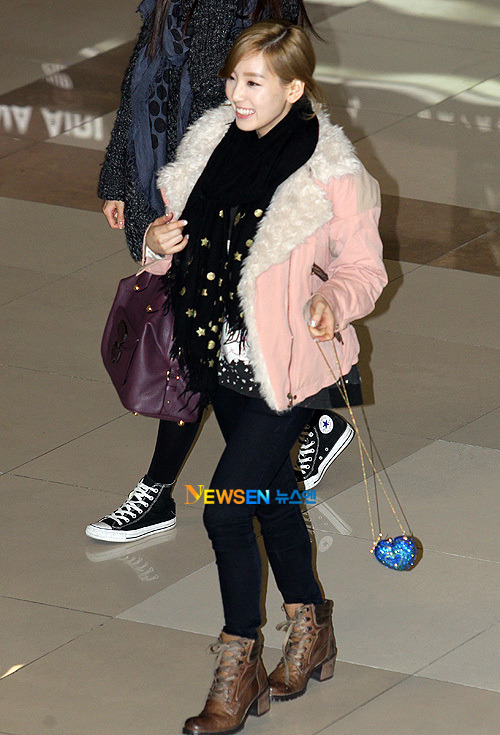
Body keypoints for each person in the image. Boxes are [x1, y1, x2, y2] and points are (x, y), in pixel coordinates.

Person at [140, 20, 387, 734]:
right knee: (273, 497)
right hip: (219, 358)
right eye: (232, 79)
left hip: (291, 368)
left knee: (225, 508)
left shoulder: (334, 173)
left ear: (294, 88)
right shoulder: (210, 145)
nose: (236, 95)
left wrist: (332, 300)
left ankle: (238, 665)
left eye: (253, 83)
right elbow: (178, 247)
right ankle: (313, 630)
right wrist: (157, 243)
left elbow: (364, 271)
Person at [87, 0, 353, 544]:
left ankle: (161, 489)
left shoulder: (251, 9)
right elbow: (142, 79)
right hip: (172, 180)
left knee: (203, 339)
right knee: (196, 338)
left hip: (219, 190)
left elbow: (261, 98)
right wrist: (118, 179)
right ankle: (310, 428)